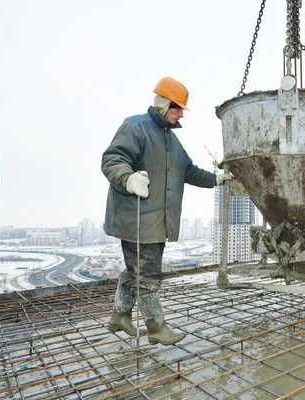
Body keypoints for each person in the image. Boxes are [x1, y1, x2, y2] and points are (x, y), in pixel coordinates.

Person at [102, 77, 233, 345]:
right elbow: (113, 159)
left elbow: (190, 171)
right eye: (178, 108)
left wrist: (216, 179)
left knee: (135, 270)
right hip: (136, 219)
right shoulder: (136, 127)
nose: (181, 113)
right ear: (164, 104)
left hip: (158, 221)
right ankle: (156, 328)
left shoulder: (172, 142)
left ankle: (120, 316)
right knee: (148, 275)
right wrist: (127, 179)